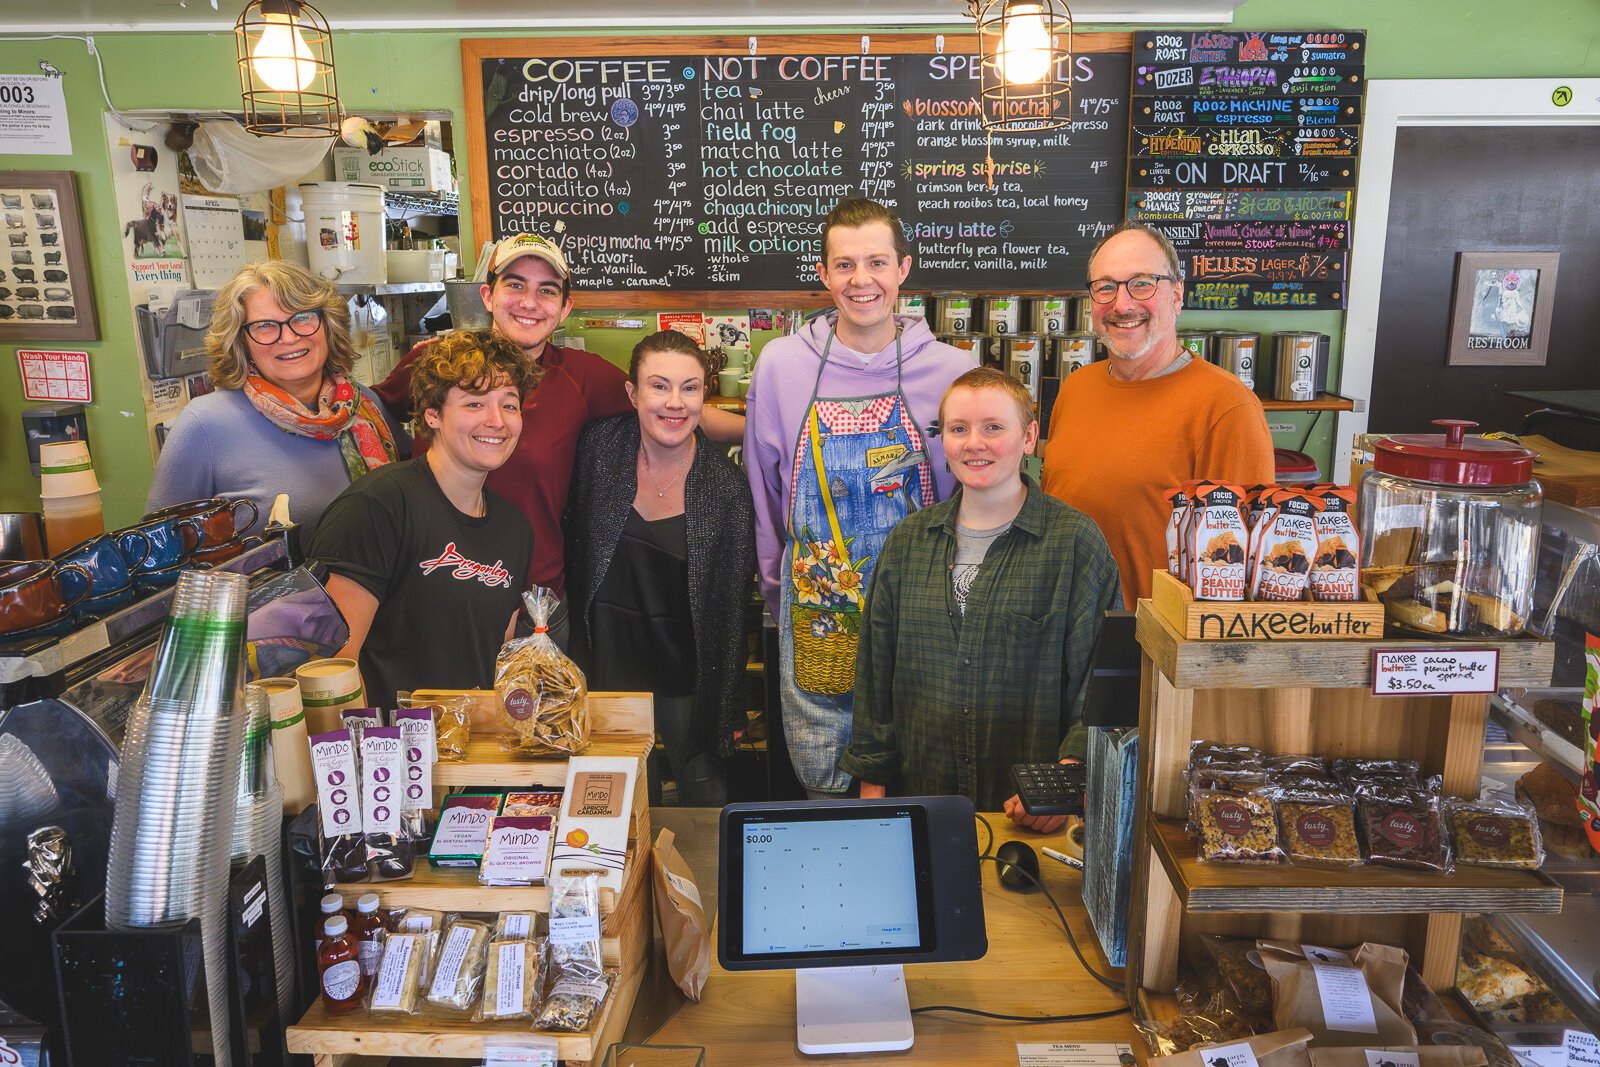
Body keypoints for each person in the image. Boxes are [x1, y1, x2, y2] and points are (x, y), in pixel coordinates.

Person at [375, 234, 745, 643]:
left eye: (547, 290)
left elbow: (671, 408)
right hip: (432, 593)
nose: (529, 302)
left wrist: (767, 431)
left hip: (536, 605)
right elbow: (367, 419)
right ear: (487, 294)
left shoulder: (581, 376)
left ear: (565, 307)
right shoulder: (438, 363)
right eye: (515, 285)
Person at [744, 197, 976, 799]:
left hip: (924, 608)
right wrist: (779, 597)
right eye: (844, 265)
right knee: (831, 780)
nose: (861, 280)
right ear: (823, 275)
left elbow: (972, 495)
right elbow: (764, 493)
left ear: (903, 268)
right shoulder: (781, 366)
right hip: (819, 608)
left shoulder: (954, 370)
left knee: (921, 768)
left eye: (876, 262)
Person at [840, 368, 1123, 828]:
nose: (975, 443)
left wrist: (1063, 787)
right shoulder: (908, 541)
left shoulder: (1074, 542)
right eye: (959, 429)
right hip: (922, 805)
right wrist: (873, 797)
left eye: (994, 427)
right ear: (944, 440)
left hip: (1028, 814)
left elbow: (1098, 685)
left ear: (1029, 437)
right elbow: (875, 676)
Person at [564, 330, 756, 807]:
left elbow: (731, 611)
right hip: (607, 664)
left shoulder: (725, 486)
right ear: (632, 393)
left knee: (702, 782)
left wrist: (727, 701)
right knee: (625, 795)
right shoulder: (596, 450)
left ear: (705, 395)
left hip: (686, 671)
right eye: (659, 386)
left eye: (690, 388)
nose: (675, 403)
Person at [1040, 221, 1274, 606]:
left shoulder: (1227, 406)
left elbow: (1241, 565)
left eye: (1142, 283)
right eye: (1106, 287)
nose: (1122, 304)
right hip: (1063, 630)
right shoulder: (1076, 388)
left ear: (1177, 295)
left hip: (1155, 645)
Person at [308, 330, 535, 708]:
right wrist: (375, 758)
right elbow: (334, 667)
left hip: (467, 749)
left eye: (509, 405)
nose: (497, 421)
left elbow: (498, 660)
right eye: (474, 404)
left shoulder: (515, 530)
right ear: (433, 415)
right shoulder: (377, 507)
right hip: (388, 754)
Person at [147, 261, 403, 541]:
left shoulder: (365, 404)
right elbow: (160, 552)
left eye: (303, 317)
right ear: (241, 341)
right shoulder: (204, 425)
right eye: (266, 325)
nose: (289, 337)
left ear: (328, 325)